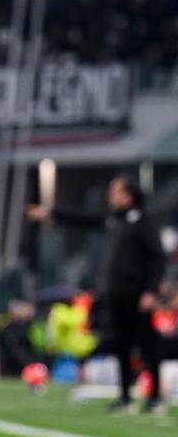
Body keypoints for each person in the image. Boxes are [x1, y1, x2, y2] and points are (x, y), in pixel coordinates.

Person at [27, 176, 166, 413]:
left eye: (115, 191)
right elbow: (82, 218)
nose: (110, 196)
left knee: (147, 345)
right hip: (115, 292)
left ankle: (154, 397)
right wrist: (51, 212)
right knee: (121, 345)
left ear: (128, 196)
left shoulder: (143, 221)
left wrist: (150, 291)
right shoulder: (112, 219)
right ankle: (125, 396)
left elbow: (158, 258)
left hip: (138, 294)